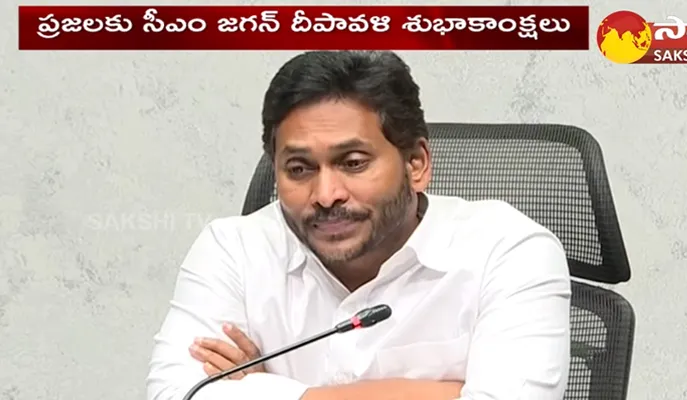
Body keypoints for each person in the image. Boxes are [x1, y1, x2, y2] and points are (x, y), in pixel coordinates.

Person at [146, 50, 571, 400]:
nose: (326, 194)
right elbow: (174, 394)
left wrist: (266, 389)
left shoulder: (509, 249)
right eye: (299, 169)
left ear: (416, 164)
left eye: (352, 163)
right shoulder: (232, 249)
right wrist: (444, 393)